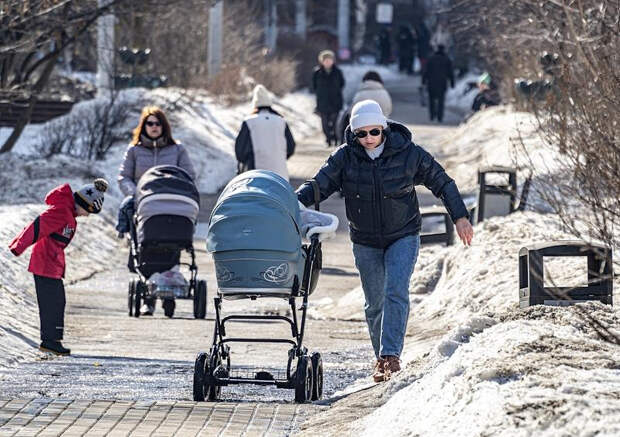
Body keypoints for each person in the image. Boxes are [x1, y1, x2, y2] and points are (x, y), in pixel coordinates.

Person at [296, 100, 473, 382]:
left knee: (396, 291)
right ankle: (381, 356)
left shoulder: (408, 153)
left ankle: (390, 357)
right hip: (365, 239)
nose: (368, 139)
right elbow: (319, 185)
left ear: (384, 128)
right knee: (374, 302)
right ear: (353, 134)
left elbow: (442, 182)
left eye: (374, 132)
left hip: (403, 234)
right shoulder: (344, 157)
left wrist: (459, 216)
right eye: (361, 134)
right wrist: (290, 203)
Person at [9, 179, 109, 356]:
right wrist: (19, 246)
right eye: (88, 211)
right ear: (82, 203)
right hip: (45, 263)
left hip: (52, 264)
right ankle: (49, 341)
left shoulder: (69, 214)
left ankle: (53, 340)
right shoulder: (61, 212)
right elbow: (37, 227)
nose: (86, 216)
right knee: (51, 302)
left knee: (57, 301)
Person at [117, 106, 196, 315]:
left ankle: (169, 295)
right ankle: (148, 298)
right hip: (144, 203)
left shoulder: (177, 150)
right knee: (145, 246)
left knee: (172, 245)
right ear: (144, 126)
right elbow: (124, 176)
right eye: (149, 123)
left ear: (164, 126)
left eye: (157, 123)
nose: (154, 127)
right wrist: (135, 194)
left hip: (172, 202)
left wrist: (177, 189)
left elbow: (188, 174)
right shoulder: (134, 150)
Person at [234, 84, 296, 181]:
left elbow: (240, 151)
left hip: (256, 176)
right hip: (281, 177)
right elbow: (291, 147)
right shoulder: (281, 121)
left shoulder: (249, 122)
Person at [312, 50, 345, 147]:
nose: (328, 62)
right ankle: (328, 139)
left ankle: (335, 138)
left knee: (335, 123)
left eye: (329, 60)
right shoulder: (317, 73)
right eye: (325, 60)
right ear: (322, 61)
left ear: (333, 61)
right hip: (322, 102)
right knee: (325, 123)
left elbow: (342, 84)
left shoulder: (338, 72)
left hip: (336, 101)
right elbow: (314, 86)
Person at [422, 44, 454, 123]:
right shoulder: (447, 59)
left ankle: (432, 115)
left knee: (431, 100)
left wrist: (423, 80)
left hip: (431, 83)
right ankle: (440, 116)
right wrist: (452, 82)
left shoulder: (431, 59)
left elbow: (425, 71)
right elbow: (450, 72)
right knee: (441, 101)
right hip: (442, 83)